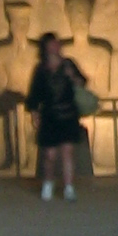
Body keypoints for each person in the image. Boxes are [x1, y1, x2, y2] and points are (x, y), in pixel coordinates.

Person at [25, 32, 88, 201]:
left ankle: (68, 187)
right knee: (50, 155)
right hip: (49, 115)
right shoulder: (41, 69)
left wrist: (71, 76)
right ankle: (48, 182)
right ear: (46, 48)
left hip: (68, 113)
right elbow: (34, 94)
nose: (57, 46)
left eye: (57, 43)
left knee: (68, 152)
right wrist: (34, 113)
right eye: (53, 44)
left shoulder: (68, 64)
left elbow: (82, 82)